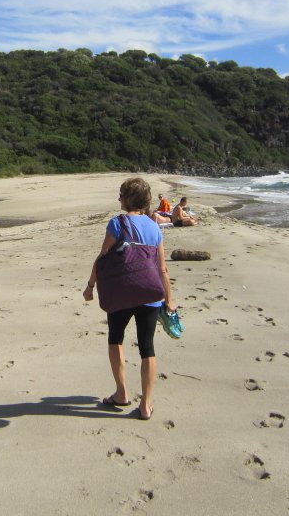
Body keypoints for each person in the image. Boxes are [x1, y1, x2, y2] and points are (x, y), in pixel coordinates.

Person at [83, 177, 176, 420]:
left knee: (116, 339)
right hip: (150, 292)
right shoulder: (155, 227)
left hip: (121, 290)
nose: (118, 199)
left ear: (127, 199)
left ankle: (122, 393)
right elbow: (162, 268)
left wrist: (90, 286)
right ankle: (145, 405)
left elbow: (102, 258)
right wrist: (170, 298)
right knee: (147, 347)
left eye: (121, 194)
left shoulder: (116, 224)